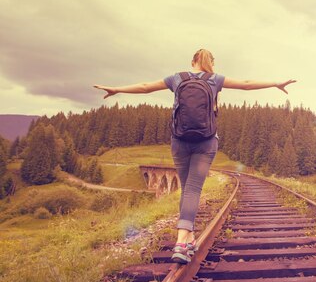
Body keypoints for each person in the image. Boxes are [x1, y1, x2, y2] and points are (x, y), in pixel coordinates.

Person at [94, 48, 296, 263]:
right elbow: (246, 84)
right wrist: (275, 83)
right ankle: (182, 241)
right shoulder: (215, 79)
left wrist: (116, 89)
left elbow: (145, 88)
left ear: (193, 61)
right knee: (192, 189)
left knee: (185, 187)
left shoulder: (177, 78)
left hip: (179, 141)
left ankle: (188, 237)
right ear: (212, 63)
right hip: (206, 141)